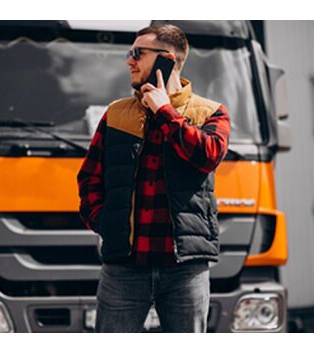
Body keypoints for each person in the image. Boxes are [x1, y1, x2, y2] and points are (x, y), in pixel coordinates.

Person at [77, 24, 230, 333]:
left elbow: (208, 154)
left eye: (137, 53)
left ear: (167, 59)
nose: (129, 61)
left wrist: (164, 111)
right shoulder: (115, 114)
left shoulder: (211, 112)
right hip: (123, 267)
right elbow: (89, 178)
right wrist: (106, 223)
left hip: (185, 269)